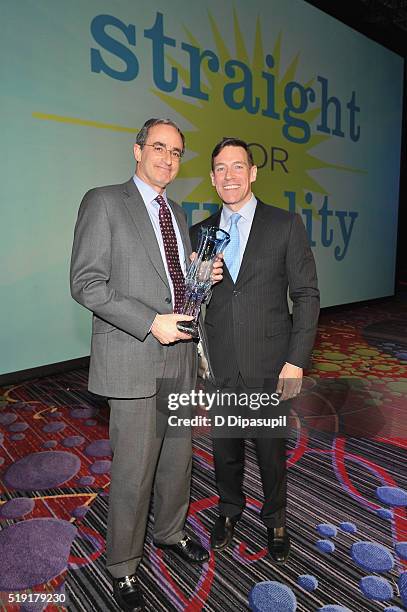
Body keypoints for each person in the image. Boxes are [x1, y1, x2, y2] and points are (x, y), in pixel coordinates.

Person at [70, 118, 222, 612]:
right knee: (134, 469)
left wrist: (202, 277)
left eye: (177, 152)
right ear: (137, 151)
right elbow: (87, 283)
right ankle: (123, 565)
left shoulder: (177, 212)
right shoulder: (104, 201)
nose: (168, 159)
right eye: (158, 148)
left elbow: (169, 279)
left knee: (177, 458)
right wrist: (150, 321)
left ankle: (170, 532)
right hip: (135, 352)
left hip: (179, 351)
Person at [190, 137, 320, 563]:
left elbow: (306, 296)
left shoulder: (285, 225)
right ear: (212, 178)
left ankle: (276, 517)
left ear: (253, 172)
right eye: (221, 169)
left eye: (237, 166)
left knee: (270, 451)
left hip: (270, 362)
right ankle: (229, 510)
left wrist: (296, 360)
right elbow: (190, 301)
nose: (230, 175)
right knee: (224, 449)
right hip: (223, 362)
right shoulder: (201, 233)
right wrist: (197, 281)